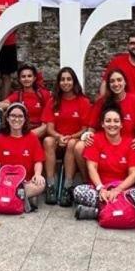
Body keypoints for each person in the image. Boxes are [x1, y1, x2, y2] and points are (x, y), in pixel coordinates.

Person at [73, 107, 135, 220]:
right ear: (102, 124)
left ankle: (98, 212)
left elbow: (134, 174)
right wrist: (101, 188)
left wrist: (118, 190)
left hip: (123, 189)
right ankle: (122, 211)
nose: (112, 124)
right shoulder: (94, 139)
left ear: (121, 124)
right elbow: (92, 167)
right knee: (78, 191)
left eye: (116, 121)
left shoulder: (132, 143)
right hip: (101, 188)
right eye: (108, 121)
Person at [79, 69, 135, 179]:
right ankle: (87, 180)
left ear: (125, 82)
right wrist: (88, 137)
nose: (116, 84)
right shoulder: (101, 102)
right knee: (79, 147)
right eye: (112, 81)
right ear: (108, 84)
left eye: (119, 80)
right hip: (103, 143)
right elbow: (91, 128)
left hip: (127, 144)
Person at [0, 103, 46, 211]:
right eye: (13, 116)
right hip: (3, 181)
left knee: (40, 185)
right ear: (7, 119)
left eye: (20, 116)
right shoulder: (0, 138)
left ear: (25, 119)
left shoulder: (32, 137)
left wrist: (38, 175)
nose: (16, 119)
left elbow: (38, 161)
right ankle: (20, 197)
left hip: (24, 183)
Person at [44, 67, 92, 206]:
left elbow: (85, 129)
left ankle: (67, 186)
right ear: (58, 83)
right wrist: (59, 137)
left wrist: (70, 137)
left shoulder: (83, 101)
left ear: (74, 81)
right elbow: (49, 128)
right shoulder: (53, 101)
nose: (66, 82)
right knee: (47, 141)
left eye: (69, 79)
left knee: (72, 144)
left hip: (74, 139)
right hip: (57, 139)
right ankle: (51, 185)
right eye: (62, 79)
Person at [99, 31, 135, 105]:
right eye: (132, 43)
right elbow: (105, 84)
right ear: (128, 45)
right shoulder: (117, 62)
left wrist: (131, 103)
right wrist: (104, 102)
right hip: (116, 105)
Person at [0, 64, 52, 138]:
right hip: (22, 128)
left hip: (40, 128)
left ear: (34, 78)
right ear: (20, 79)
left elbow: (48, 118)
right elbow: (2, 104)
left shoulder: (43, 94)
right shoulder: (18, 94)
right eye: (23, 77)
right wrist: (10, 105)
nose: (26, 79)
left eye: (29, 76)